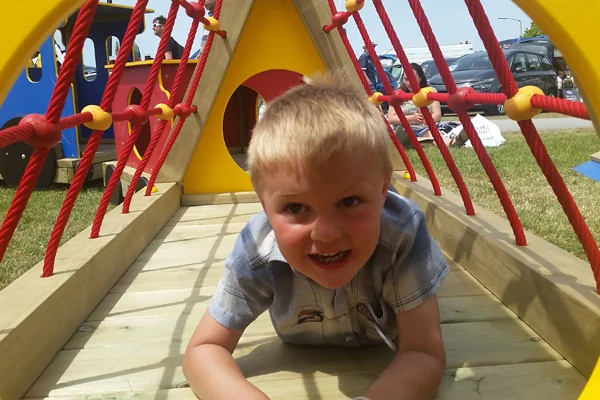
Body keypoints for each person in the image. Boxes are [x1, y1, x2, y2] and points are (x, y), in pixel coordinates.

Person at [182, 72, 449, 400]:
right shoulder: (257, 247)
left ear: (383, 192)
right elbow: (204, 348)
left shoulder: (403, 233)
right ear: (265, 205)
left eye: (349, 202)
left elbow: (424, 352)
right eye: (295, 208)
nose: (324, 234)